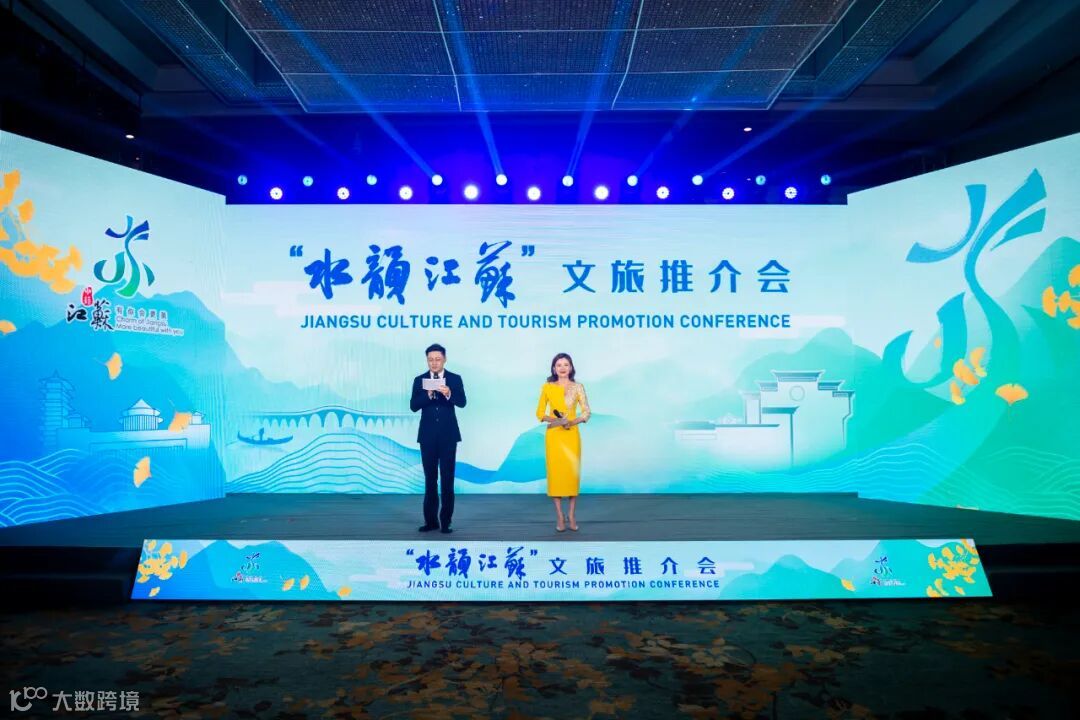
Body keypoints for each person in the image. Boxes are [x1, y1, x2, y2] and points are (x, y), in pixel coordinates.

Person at [410, 343, 466, 533]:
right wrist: (427, 395)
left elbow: (462, 402)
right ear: (427, 360)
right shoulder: (419, 380)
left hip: (448, 436)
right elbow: (413, 406)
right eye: (430, 360)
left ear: (444, 359)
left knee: (447, 480)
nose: (434, 363)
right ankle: (431, 521)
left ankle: (446, 522)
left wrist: (449, 393)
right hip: (427, 437)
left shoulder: (455, 378)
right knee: (430, 479)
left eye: (438, 359)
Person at [535, 353, 591, 532]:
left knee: (571, 476)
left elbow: (586, 412)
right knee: (556, 476)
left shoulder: (578, 387)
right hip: (554, 436)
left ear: (571, 367)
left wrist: (572, 422)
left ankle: (572, 515)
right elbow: (539, 413)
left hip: (571, 436)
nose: (562, 368)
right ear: (554, 368)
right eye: (559, 365)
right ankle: (559, 516)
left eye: (566, 364)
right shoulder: (547, 387)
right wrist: (556, 420)